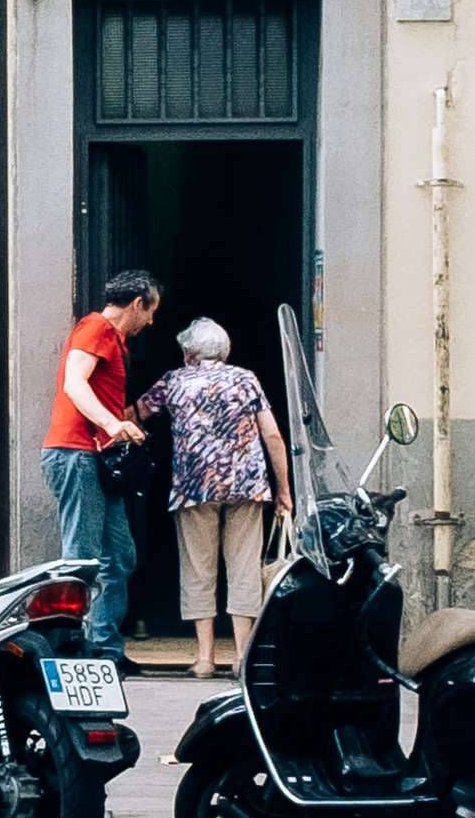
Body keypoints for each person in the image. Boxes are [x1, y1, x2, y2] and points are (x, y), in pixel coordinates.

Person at [134, 316, 293, 678]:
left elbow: (137, 413)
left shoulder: (174, 381)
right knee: (244, 567)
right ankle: (242, 656)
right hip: (246, 485)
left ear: (189, 352)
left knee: (197, 567)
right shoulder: (245, 379)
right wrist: (283, 490)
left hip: (194, 487)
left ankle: (204, 658)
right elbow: (272, 436)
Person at [40, 271, 163, 660]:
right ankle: (72, 647)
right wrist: (114, 424)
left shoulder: (114, 338)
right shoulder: (95, 328)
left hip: (93, 456)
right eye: (151, 311)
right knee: (84, 556)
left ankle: (104, 648)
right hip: (75, 453)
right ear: (138, 303)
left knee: (118, 556)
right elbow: (75, 383)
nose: (152, 322)